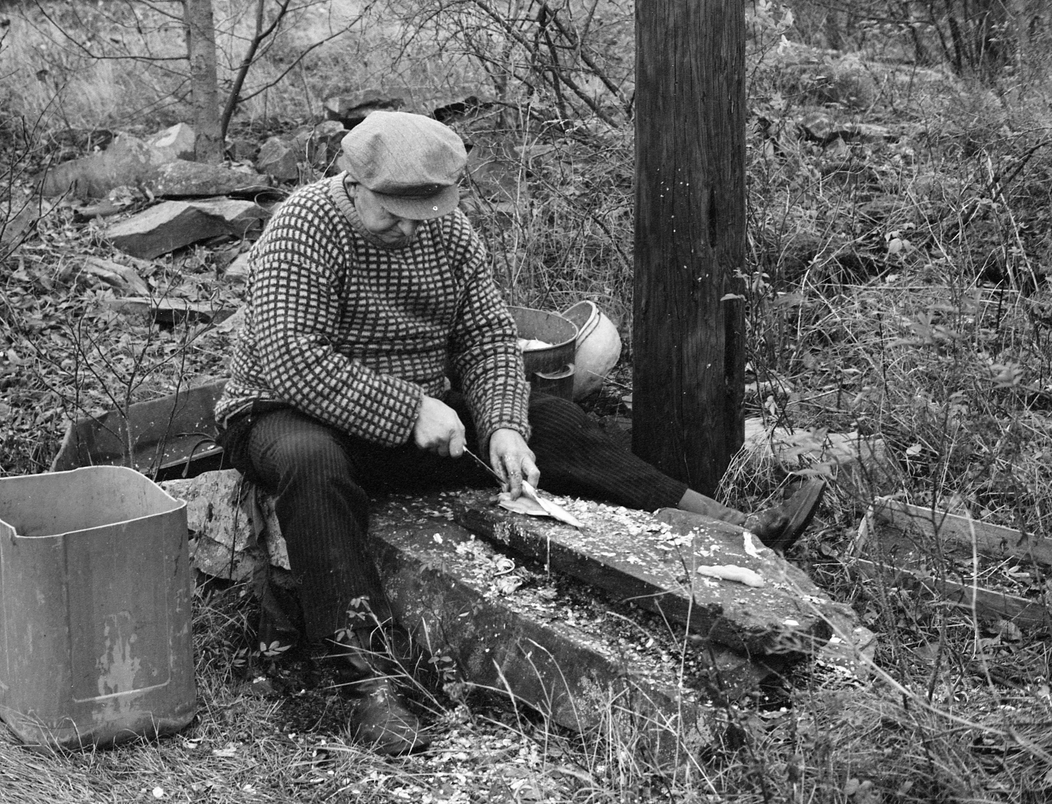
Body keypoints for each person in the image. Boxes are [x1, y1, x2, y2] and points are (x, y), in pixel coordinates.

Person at [214, 110, 824, 756]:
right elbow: (288, 354)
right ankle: (369, 684)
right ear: (354, 184)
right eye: (392, 214)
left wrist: (504, 426)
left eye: (422, 216)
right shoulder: (304, 226)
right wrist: (409, 410)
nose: (407, 229)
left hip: (406, 420)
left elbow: (487, 340)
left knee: (553, 421)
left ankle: (730, 528)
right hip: (282, 414)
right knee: (313, 463)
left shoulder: (450, 235)